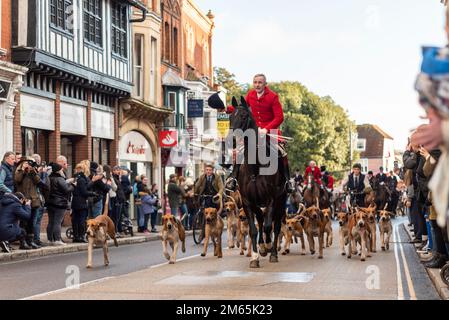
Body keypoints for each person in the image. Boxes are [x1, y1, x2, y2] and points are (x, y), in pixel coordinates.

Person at [218, 74, 294, 193]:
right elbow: (242, 110)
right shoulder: (251, 95)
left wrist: (266, 129)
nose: (257, 85)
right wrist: (227, 109)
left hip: (270, 132)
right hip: (253, 132)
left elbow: (279, 117)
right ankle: (233, 178)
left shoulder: (273, 97)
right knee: (240, 151)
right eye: (255, 82)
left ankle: (287, 181)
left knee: (282, 152)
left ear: (265, 84)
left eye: (260, 82)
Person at [14, 156, 42, 249]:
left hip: (34, 200)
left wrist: (33, 171)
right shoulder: (18, 171)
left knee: (31, 223)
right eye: (26, 163)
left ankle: (30, 241)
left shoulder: (32, 172)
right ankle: (23, 242)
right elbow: (17, 180)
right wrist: (23, 169)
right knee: (24, 223)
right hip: (24, 201)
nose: (28, 165)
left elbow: (38, 181)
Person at [46, 162, 75, 246]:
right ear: (58, 170)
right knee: (57, 222)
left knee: (51, 221)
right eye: (61, 169)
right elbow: (66, 190)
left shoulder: (49, 177)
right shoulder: (60, 179)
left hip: (50, 202)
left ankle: (50, 239)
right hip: (60, 203)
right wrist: (73, 185)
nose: (62, 170)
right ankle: (57, 239)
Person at [71, 163, 97, 243]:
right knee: (81, 220)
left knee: (75, 220)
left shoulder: (76, 178)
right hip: (81, 202)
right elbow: (84, 192)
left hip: (75, 202)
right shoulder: (82, 179)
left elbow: (83, 188)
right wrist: (93, 193)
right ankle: (81, 236)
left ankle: (76, 236)